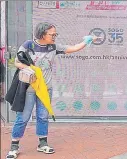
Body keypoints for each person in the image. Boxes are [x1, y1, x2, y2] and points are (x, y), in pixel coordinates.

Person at [5, 22, 98, 159]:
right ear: (42, 33)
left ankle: (42, 143)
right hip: (29, 89)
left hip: (46, 88)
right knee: (23, 117)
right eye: (52, 34)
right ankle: (14, 145)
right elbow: (17, 62)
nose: (54, 36)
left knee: (43, 116)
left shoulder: (53, 47)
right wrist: (27, 68)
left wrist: (87, 40)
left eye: (55, 34)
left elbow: (72, 48)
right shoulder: (28, 45)